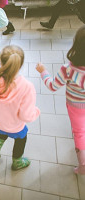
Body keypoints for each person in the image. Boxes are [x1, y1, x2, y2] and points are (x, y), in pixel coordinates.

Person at [36, 25, 85, 174]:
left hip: (75, 107)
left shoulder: (68, 69)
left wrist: (43, 71)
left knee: (79, 133)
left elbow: (52, 86)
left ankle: (83, 166)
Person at [0, 45, 40, 170]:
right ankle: (17, 161)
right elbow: (26, 116)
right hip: (15, 126)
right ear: (20, 65)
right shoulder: (27, 87)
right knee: (21, 138)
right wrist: (36, 112)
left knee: (2, 130)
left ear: (0, 60)